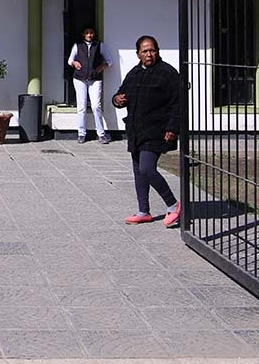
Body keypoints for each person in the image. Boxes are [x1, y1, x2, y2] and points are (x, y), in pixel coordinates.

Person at [112, 35, 181, 227]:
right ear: (138, 54)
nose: (149, 54)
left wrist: (172, 128)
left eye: (152, 50)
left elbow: (178, 104)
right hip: (135, 129)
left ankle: (173, 205)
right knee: (138, 171)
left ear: (158, 51)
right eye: (145, 51)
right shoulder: (134, 73)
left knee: (147, 168)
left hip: (157, 129)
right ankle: (143, 211)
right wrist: (117, 100)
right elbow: (119, 94)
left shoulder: (168, 73)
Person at [67, 25, 112, 144]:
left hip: (95, 79)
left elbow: (109, 61)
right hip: (79, 78)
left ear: (94, 34)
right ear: (83, 34)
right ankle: (81, 133)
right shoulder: (78, 46)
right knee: (81, 107)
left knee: (96, 106)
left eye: (91, 33)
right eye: (87, 33)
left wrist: (102, 67)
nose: (89, 35)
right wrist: (74, 63)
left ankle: (101, 134)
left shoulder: (99, 45)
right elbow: (70, 60)